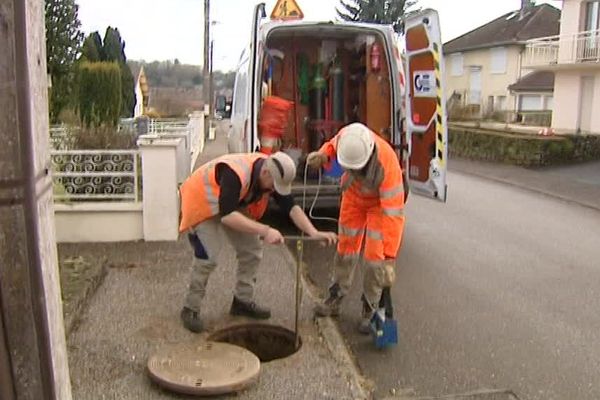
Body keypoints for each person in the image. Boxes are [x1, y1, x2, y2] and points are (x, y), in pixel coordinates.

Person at [178, 151, 337, 333]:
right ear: (265, 174)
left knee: (252, 248)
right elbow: (227, 216)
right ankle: (190, 308)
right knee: (208, 257)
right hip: (202, 203)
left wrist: (313, 232)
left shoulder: (272, 170)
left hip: (228, 205)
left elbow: (291, 207)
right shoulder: (235, 173)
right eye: (273, 185)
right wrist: (265, 230)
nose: (273, 190)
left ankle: (242, 301)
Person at [306, 123, 405, 333]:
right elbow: (333, 145)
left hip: (379, 206)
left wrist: (390, 258)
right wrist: (323, 155)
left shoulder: (387, 166)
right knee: (345, 249)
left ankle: (370, 308)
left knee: (374, 261)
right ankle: (335, 297)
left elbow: (394, 216)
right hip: (353, 197)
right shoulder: (348, 136)